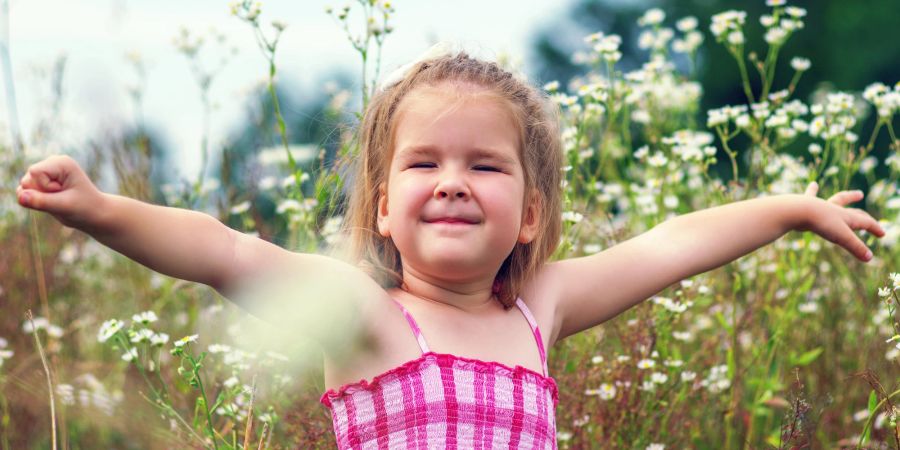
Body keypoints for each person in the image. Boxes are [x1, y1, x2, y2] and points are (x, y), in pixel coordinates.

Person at [16, 51, 885, 449]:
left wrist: (790, 208)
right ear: (384, 209)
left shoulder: (540, 308)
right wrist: (98, 208)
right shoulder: (365, 314)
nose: (455, 181)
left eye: (486, 165)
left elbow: (673, 243)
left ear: (533, 213)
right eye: (424, 163)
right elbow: (225, 251)